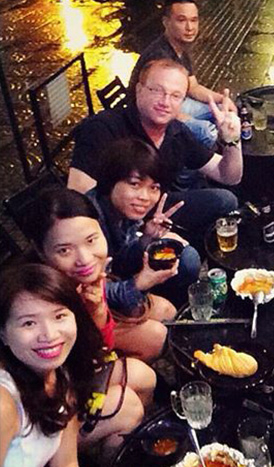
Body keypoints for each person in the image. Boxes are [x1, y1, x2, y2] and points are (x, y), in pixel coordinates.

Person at [68, 58, 241, 240]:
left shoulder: (176, 132)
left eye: (175, 96)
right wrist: (143, 235)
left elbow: (228, 176)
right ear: (139, 90)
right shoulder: (102, 128)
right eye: (157, 90)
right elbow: (79, 200)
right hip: (112, 228)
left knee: (225, 200)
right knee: (186, 254)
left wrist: (232, 139)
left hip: (157, 210)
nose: (165, 102)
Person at [0, 264, 143, 466]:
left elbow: (66, 462)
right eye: (29, 323)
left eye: (59, 316)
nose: (50, 335)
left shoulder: (59, 374)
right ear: (3, 334)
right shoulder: (4, 405)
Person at [25, 188, 176, 363]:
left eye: (90, 240)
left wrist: (147, 239)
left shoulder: (83, 274)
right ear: (41, 252)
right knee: (154, 338)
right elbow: (95, 348)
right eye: (64, 250)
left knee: (166, 310)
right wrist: (98, 310)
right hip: (78, 352)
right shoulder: (45, 296)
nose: (85, 259)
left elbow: (116, 273)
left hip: (100, 318)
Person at [88, 138, 200, 308]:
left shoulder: (123, 209)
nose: (145, 197)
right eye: (135, 184)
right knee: (165, 310)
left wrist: (147, 237)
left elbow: (122, 257)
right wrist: (138, 284)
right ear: (110, 181)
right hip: (92, 306)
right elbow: (89, 293)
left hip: (119, 278)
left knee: (185, 256)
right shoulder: (88, 221)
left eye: (153, 188)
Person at [129, 0, 223, 148]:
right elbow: (157, 106)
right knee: (206, 131)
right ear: (166, 22)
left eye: (194, 20)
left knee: (222, 110)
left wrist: (222, 99)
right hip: (149, 115)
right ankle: (189, 162)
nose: (189, 28)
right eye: (181, 20)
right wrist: (186, 119)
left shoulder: (179, 47)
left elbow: (193, 87)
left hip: (173, 102)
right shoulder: (159, 58)